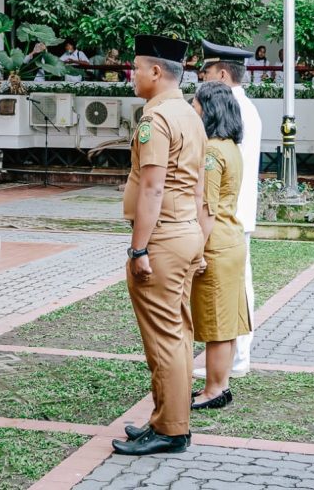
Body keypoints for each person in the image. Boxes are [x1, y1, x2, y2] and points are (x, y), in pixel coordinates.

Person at [113, 34, 208, 456]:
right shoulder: (190, 114)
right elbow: (200, 187)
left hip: (164, 236)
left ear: (155, 71)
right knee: (179, 333)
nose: (130, 75)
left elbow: (152, 188)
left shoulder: (157, 119)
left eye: (135, 68)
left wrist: (138, 250)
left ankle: (171, 429)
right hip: (185, 230)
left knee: (165, 337)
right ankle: (166, 419)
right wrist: (200, 242)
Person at [198, 40, 263, 379]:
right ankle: (231, 358)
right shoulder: (244, 106)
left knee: (234, 289)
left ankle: (236, 360)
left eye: (206, 72)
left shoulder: (230, 109)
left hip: (227, 214)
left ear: (222, 73)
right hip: (234, 213)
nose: (202, 79)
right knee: (235, 287)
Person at [190, 81, 251, 410]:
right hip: (232, 241)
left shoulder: (212, 151)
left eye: (196, 104)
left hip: (215, 243)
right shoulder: (230, 146)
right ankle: (220, 386)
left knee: (215, 323)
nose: (193, 109)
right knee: (225, 322)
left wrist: (196, 251)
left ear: (209, 109)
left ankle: (213, 390)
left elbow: (206, 208)